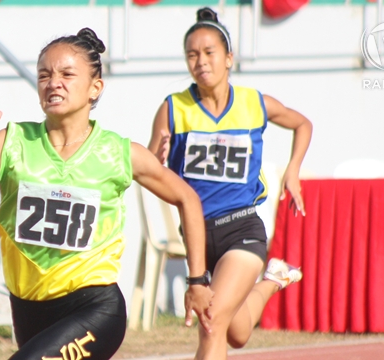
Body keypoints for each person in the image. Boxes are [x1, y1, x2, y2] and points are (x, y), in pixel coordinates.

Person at [0, 28, 213, 360]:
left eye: (67, 74)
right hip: (28, 309)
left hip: (95, 308)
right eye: (44, 74)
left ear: (95, 87)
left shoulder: (120, 153)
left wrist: (197, 279)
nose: (54, 82)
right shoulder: (11, 142)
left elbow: (188, 199)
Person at [147, 8, 313, 360]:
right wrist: (158, 160)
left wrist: (293, 171)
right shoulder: (173, 109)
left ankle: (264, 273)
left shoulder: (255, 104)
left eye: (209, 53)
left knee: (211, 321)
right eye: (192, 55)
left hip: (242, 228)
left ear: (229, 58)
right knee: (235, 332)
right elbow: (149, 171)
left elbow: (303, 124)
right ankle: (272, 281)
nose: (201, 61)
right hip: (196, 237)